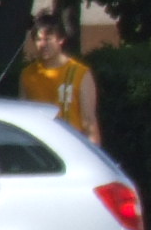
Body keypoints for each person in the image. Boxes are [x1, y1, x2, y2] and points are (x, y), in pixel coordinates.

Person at [18, 15, 100, 143]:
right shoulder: (28, 74)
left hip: (70, 144)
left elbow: (89, 121)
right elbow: (22, 115)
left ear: (61, 39)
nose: (43, 44)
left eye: (48, 39)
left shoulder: (80, 73)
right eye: (39, 40)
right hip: (39, 146)